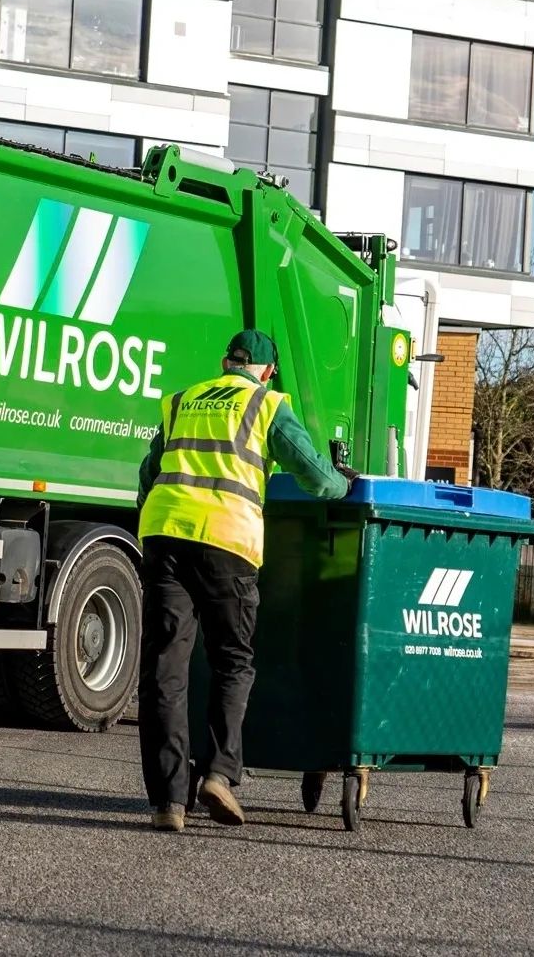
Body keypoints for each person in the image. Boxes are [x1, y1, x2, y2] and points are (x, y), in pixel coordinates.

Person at [135, 329, 354, 831]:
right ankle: (220, 772)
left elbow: (148, 476)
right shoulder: (266, 405)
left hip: (166, 536)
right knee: (232, 661)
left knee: (166, 669)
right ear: (268, 370)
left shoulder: (182, 401)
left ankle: (168, 801)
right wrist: (343, 482)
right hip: (226, 541)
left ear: (225, 362)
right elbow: (317, 478)